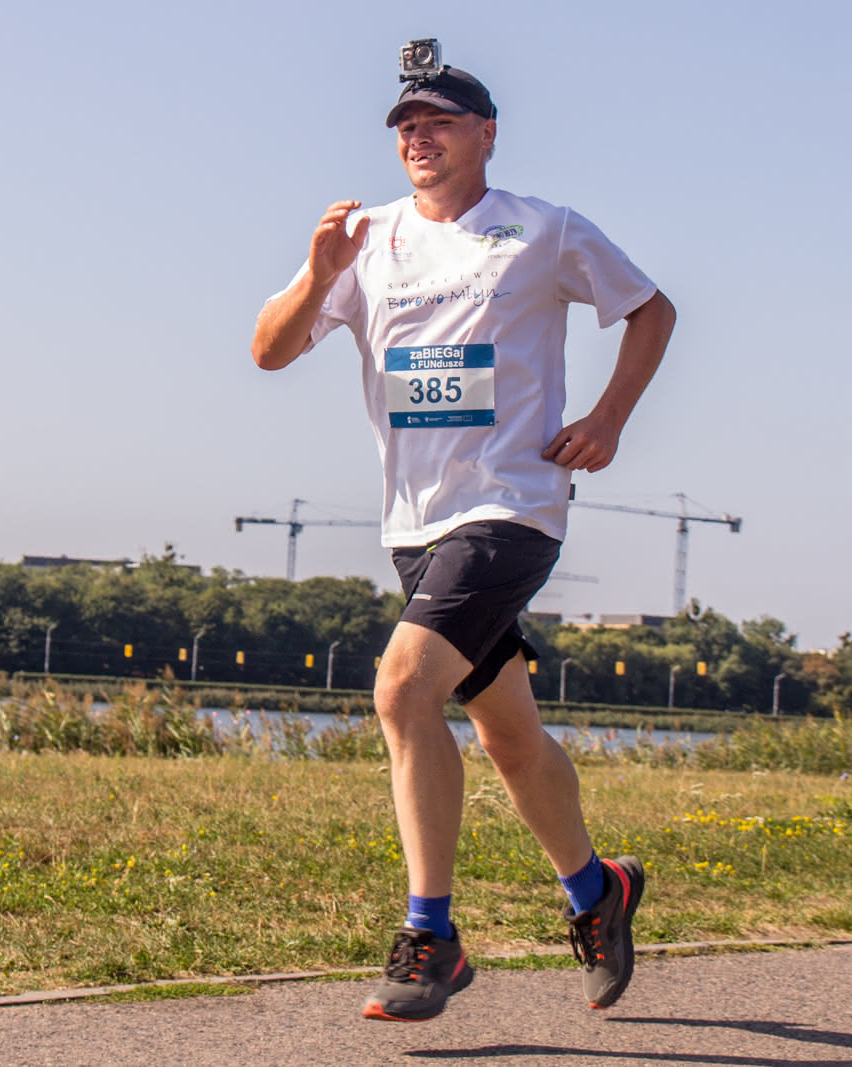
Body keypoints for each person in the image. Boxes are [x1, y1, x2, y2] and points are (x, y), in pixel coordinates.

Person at [249, 60, 676, 1022]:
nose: (418, 136)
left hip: (513, 507)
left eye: (439, 121)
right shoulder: (365, 243)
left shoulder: (542, 229)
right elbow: (269, 350)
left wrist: (608, 417)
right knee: (509, 735)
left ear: (486, 133)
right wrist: (318, 272)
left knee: (402, 688)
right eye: (406, 123)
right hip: (416, 525)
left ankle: (430, 934)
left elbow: (652, 308)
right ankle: (598, 890)